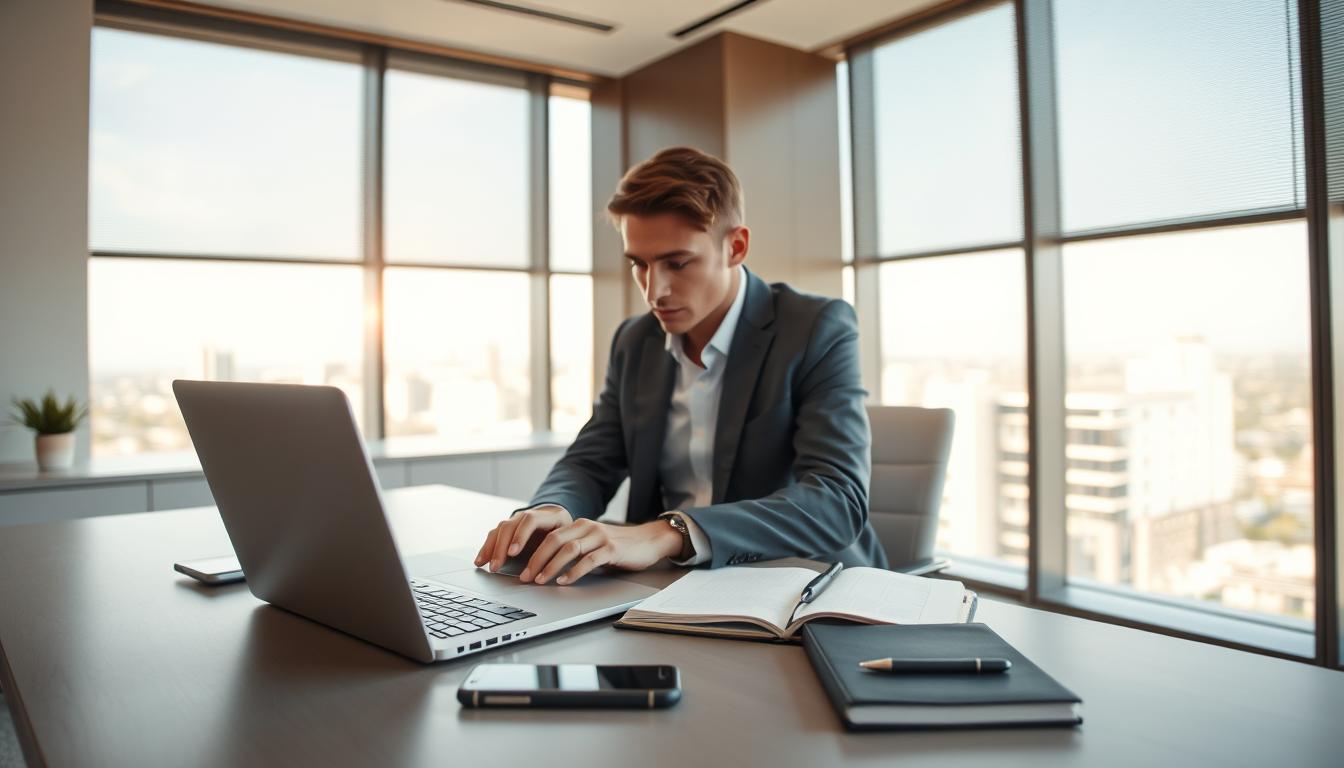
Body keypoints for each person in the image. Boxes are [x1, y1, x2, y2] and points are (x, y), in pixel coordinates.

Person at [474, 146, 886, 585]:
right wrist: (553, 509)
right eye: (640, 264)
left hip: (802, 583)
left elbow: (837, 501)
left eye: (677, 263)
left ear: (736, 247)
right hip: (671, 587)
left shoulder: (816, 328)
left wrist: (671, 532)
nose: (654, 291)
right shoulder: (635, 341)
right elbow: (592, 461)